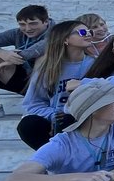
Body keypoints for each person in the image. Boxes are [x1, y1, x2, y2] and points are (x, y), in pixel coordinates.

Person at [17, 21, 97, 149]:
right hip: (57, 117)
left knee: (68, 119)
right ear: (65, 39)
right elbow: (33, 103)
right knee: (28, 125)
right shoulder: (47, 68)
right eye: (82, 32)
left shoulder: (96, 64)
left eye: (89, 32)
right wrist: (53, 115)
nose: (88, 34)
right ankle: (54, 161)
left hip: (89, 117)